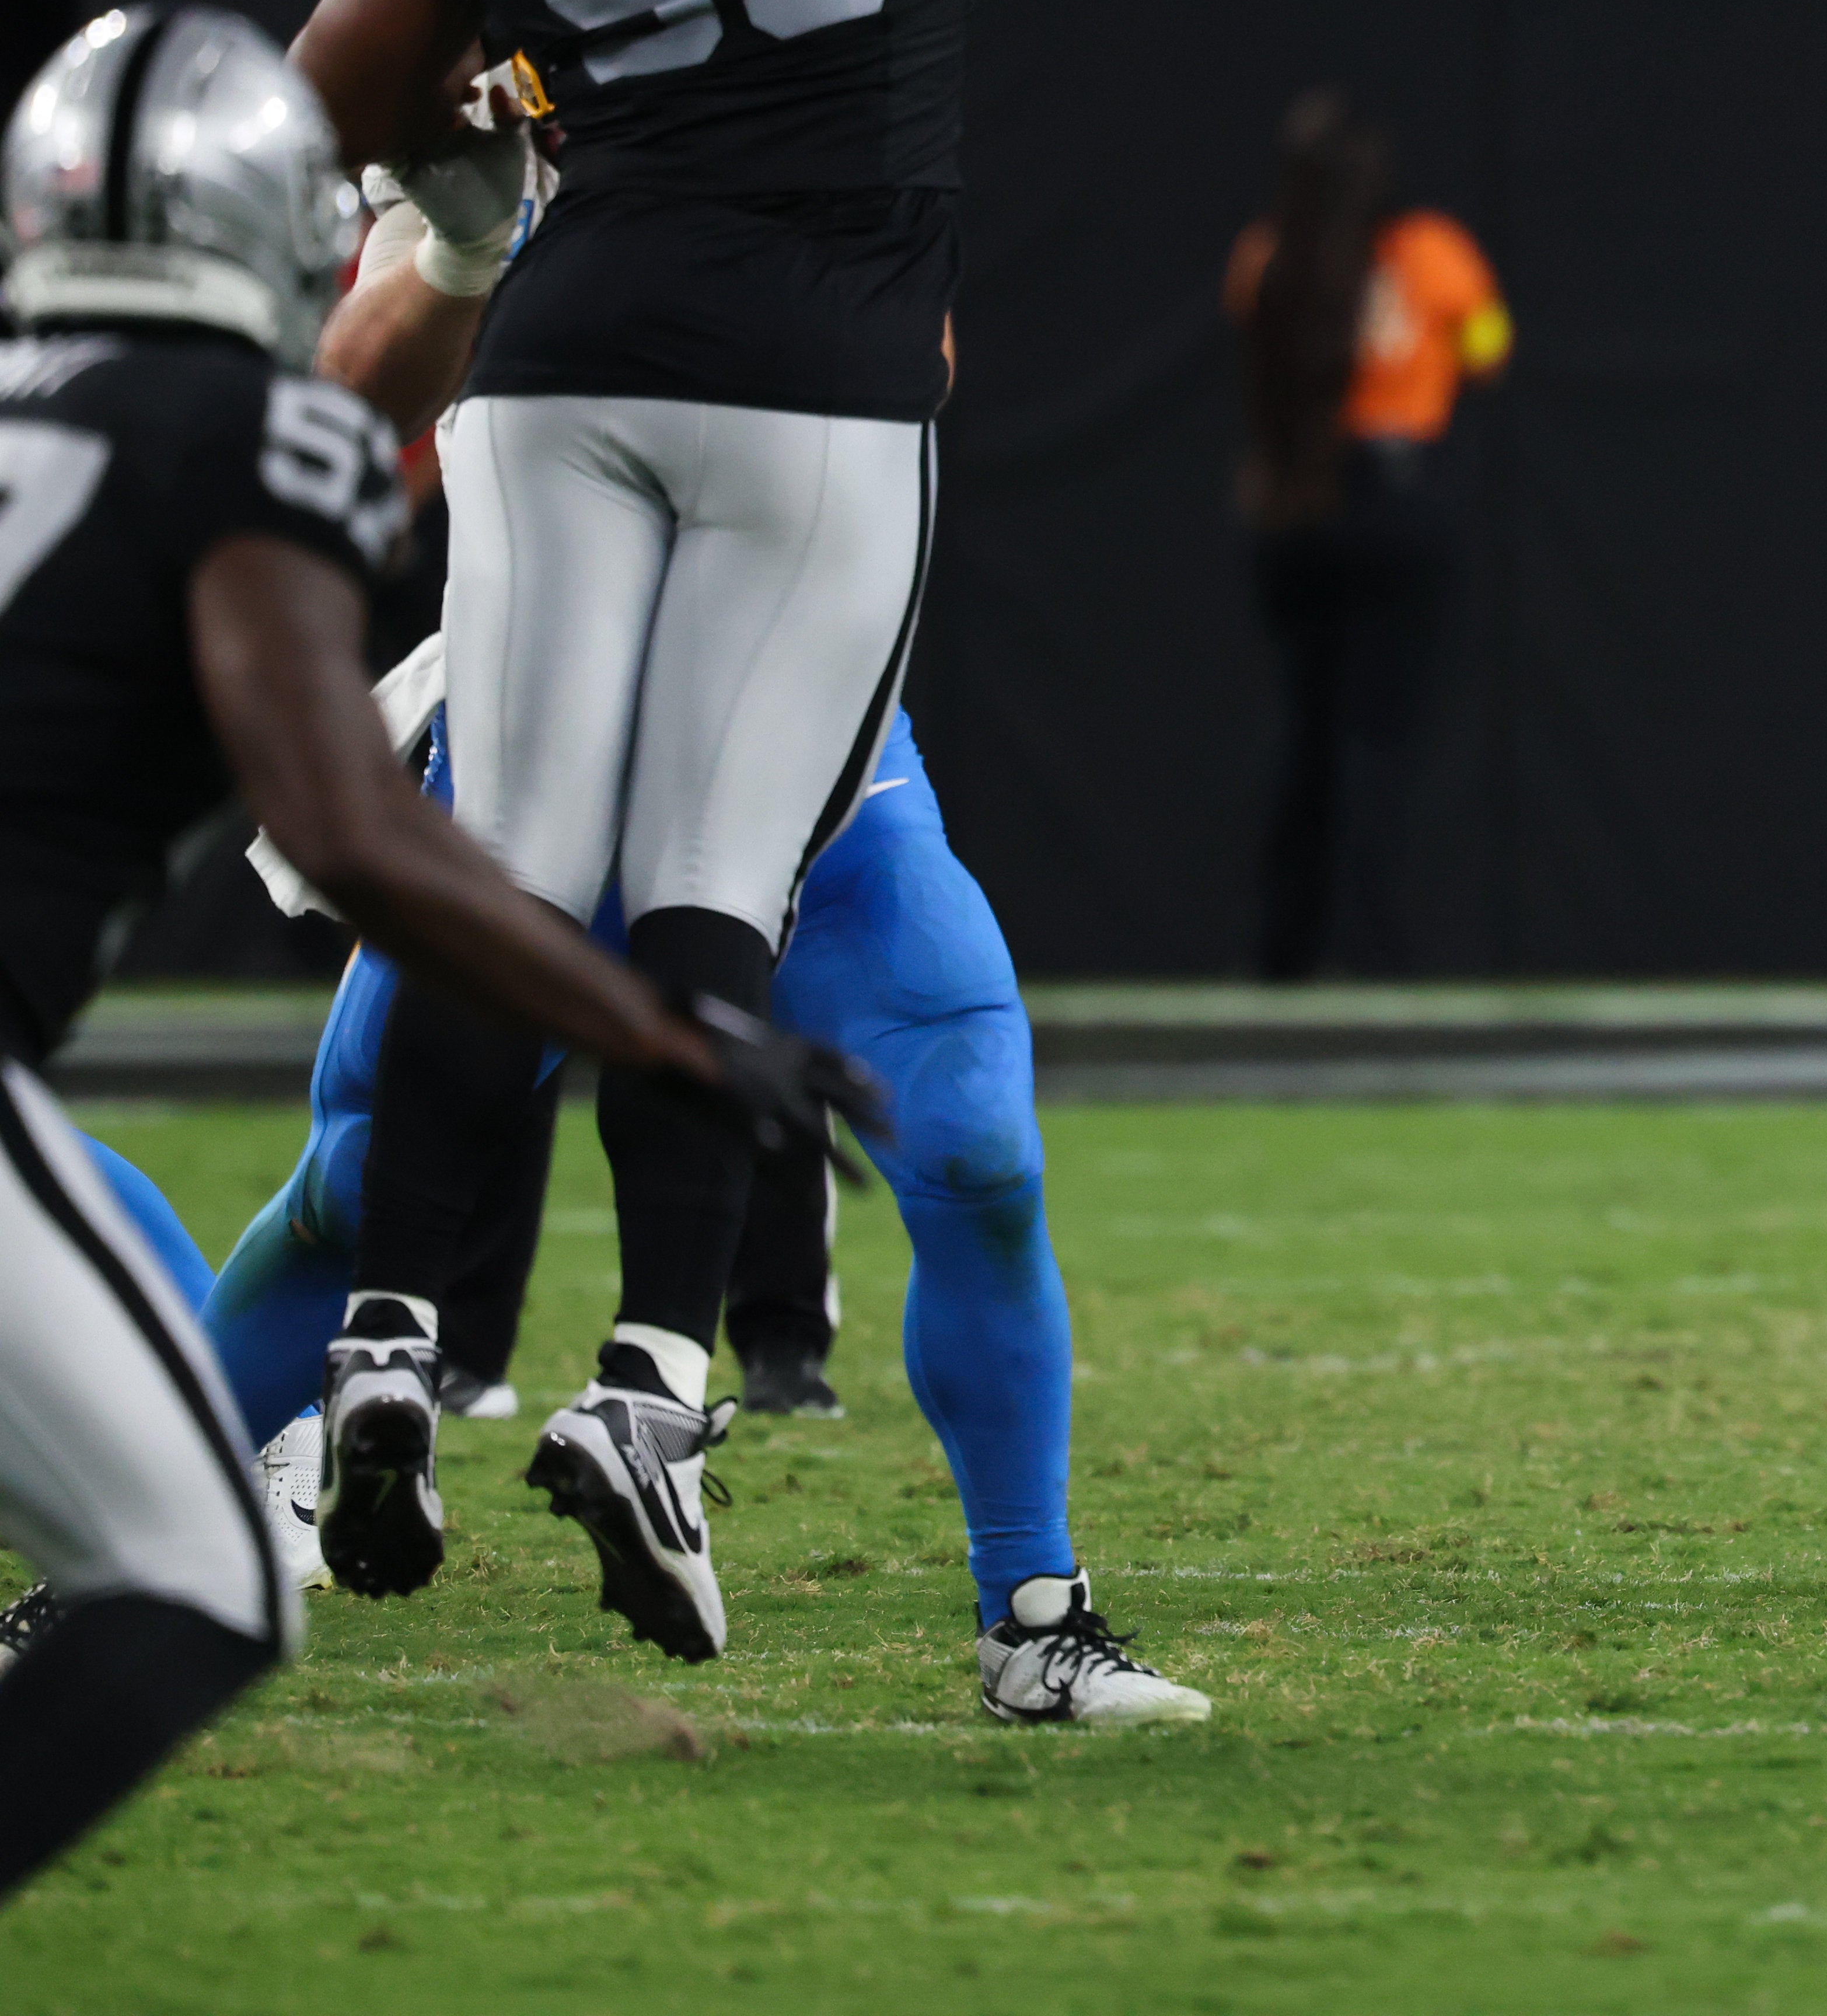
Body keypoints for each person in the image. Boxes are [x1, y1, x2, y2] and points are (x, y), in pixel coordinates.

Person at [279, 0, 1058, 1668]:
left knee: (508, 878)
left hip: (570, 348)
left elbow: (324, 102)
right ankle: (638, 1371)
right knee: (712, 905)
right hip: (826, 364)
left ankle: (394, 1345)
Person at [0, 7, 850, 1903]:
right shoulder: (255, 431)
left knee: (147, 1226)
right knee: (203, 1573)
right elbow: (360, 835)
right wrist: (665, 1030)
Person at [180, 207, 1207, 1726]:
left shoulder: (836, 78)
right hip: (553, 768)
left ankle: (1032, 1614)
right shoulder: (536, 75)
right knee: (361, 1181)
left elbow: (918, 358)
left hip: (817, 776)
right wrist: (491, 251)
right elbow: (355, 375)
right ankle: (143, 1540)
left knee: (979, 1148)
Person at [1227, 94, 1509, 983]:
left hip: (1297, 507)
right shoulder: (1431, 253)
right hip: (1396, 504)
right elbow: (1491, 347)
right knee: (1378, 739)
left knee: (1306, 731)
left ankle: (1287, 949)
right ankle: (1370, 947)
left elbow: (1250, 349)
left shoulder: (1266, 256)